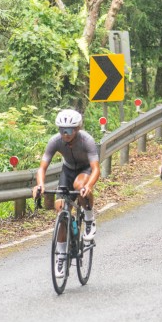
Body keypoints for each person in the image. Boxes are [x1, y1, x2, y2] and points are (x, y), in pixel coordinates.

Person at [32, 109, 100, 278]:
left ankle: (90, 218)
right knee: (61, 208)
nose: (65, 134)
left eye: (68, 130)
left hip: (85, 170)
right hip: (67, 171)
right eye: (61, 130)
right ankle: (61, 256)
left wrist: (89, 185)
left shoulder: (87, 140)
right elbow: (42, 167)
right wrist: (40, 185)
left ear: (77, 129)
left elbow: (96, 169)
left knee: (80, 186)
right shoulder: (55, 141)